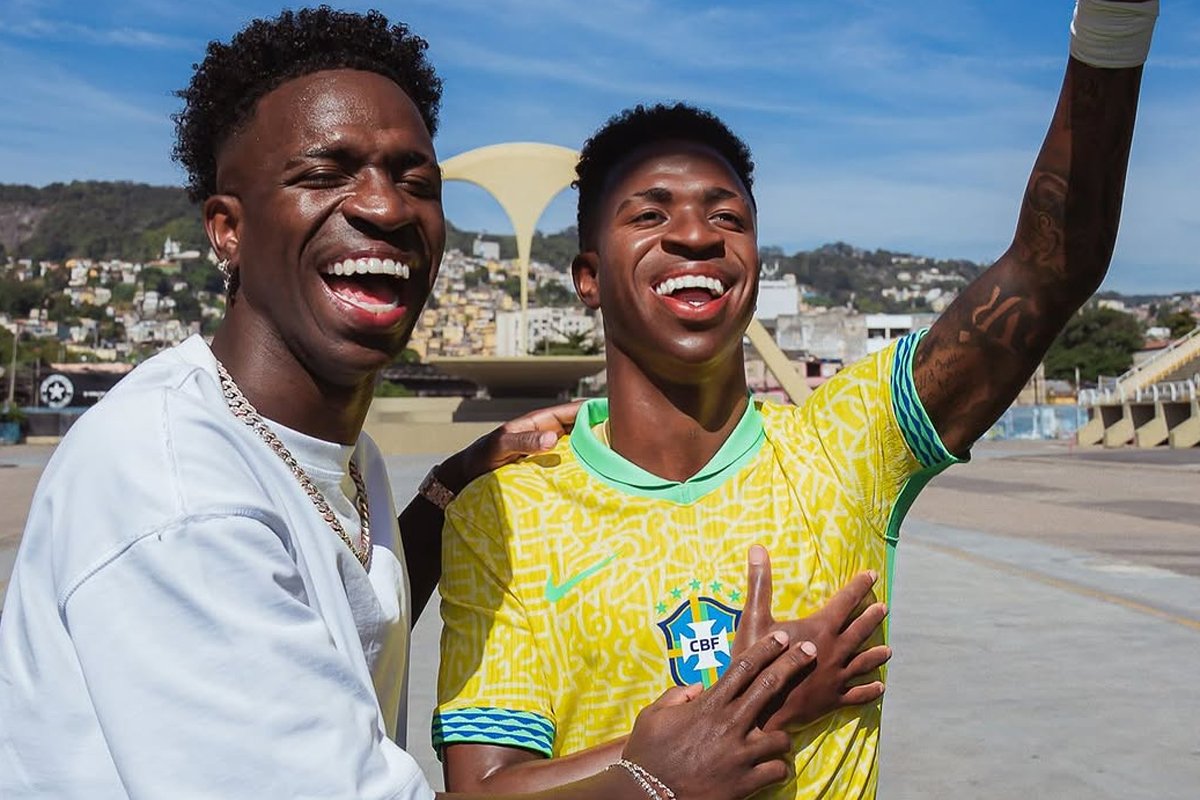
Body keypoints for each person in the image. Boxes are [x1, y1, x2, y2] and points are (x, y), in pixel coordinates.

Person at [0, 8, 836, 800]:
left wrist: (445, 496)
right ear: (227, 228)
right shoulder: (178, 494)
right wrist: (656, 778)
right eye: (324, 174)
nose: (383, 207)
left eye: (416, 180)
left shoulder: (321, 443)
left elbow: (338, 600)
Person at [434, 1, 1161, 797]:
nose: (696, 235)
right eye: (650, 214)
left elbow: (1048, 269)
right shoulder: (507, 512)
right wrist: (711, 735)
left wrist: (1115, 24)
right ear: (588, 278)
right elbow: (483, 789)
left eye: (727, 216)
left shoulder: (847, 442)